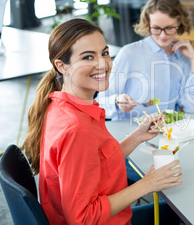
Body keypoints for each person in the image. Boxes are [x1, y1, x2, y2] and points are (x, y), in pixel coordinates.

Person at [22, 18, 181, 225]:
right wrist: (146, 184)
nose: (103, 64)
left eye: (104, 53)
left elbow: (97, 163)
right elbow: (83, 218)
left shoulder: (64, 106)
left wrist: (137, 136)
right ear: (62, 66)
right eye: (88, 57)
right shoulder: (76, 129)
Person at [97, 0, 194, 121]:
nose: (163, 35)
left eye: (169, 28)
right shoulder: (129, 54)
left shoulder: (183, 58)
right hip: (130, 135)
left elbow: (191, 108)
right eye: (157, 28)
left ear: (179, 23)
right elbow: (99, 104)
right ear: (148, 24)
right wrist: (117, 102)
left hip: (168, 134)